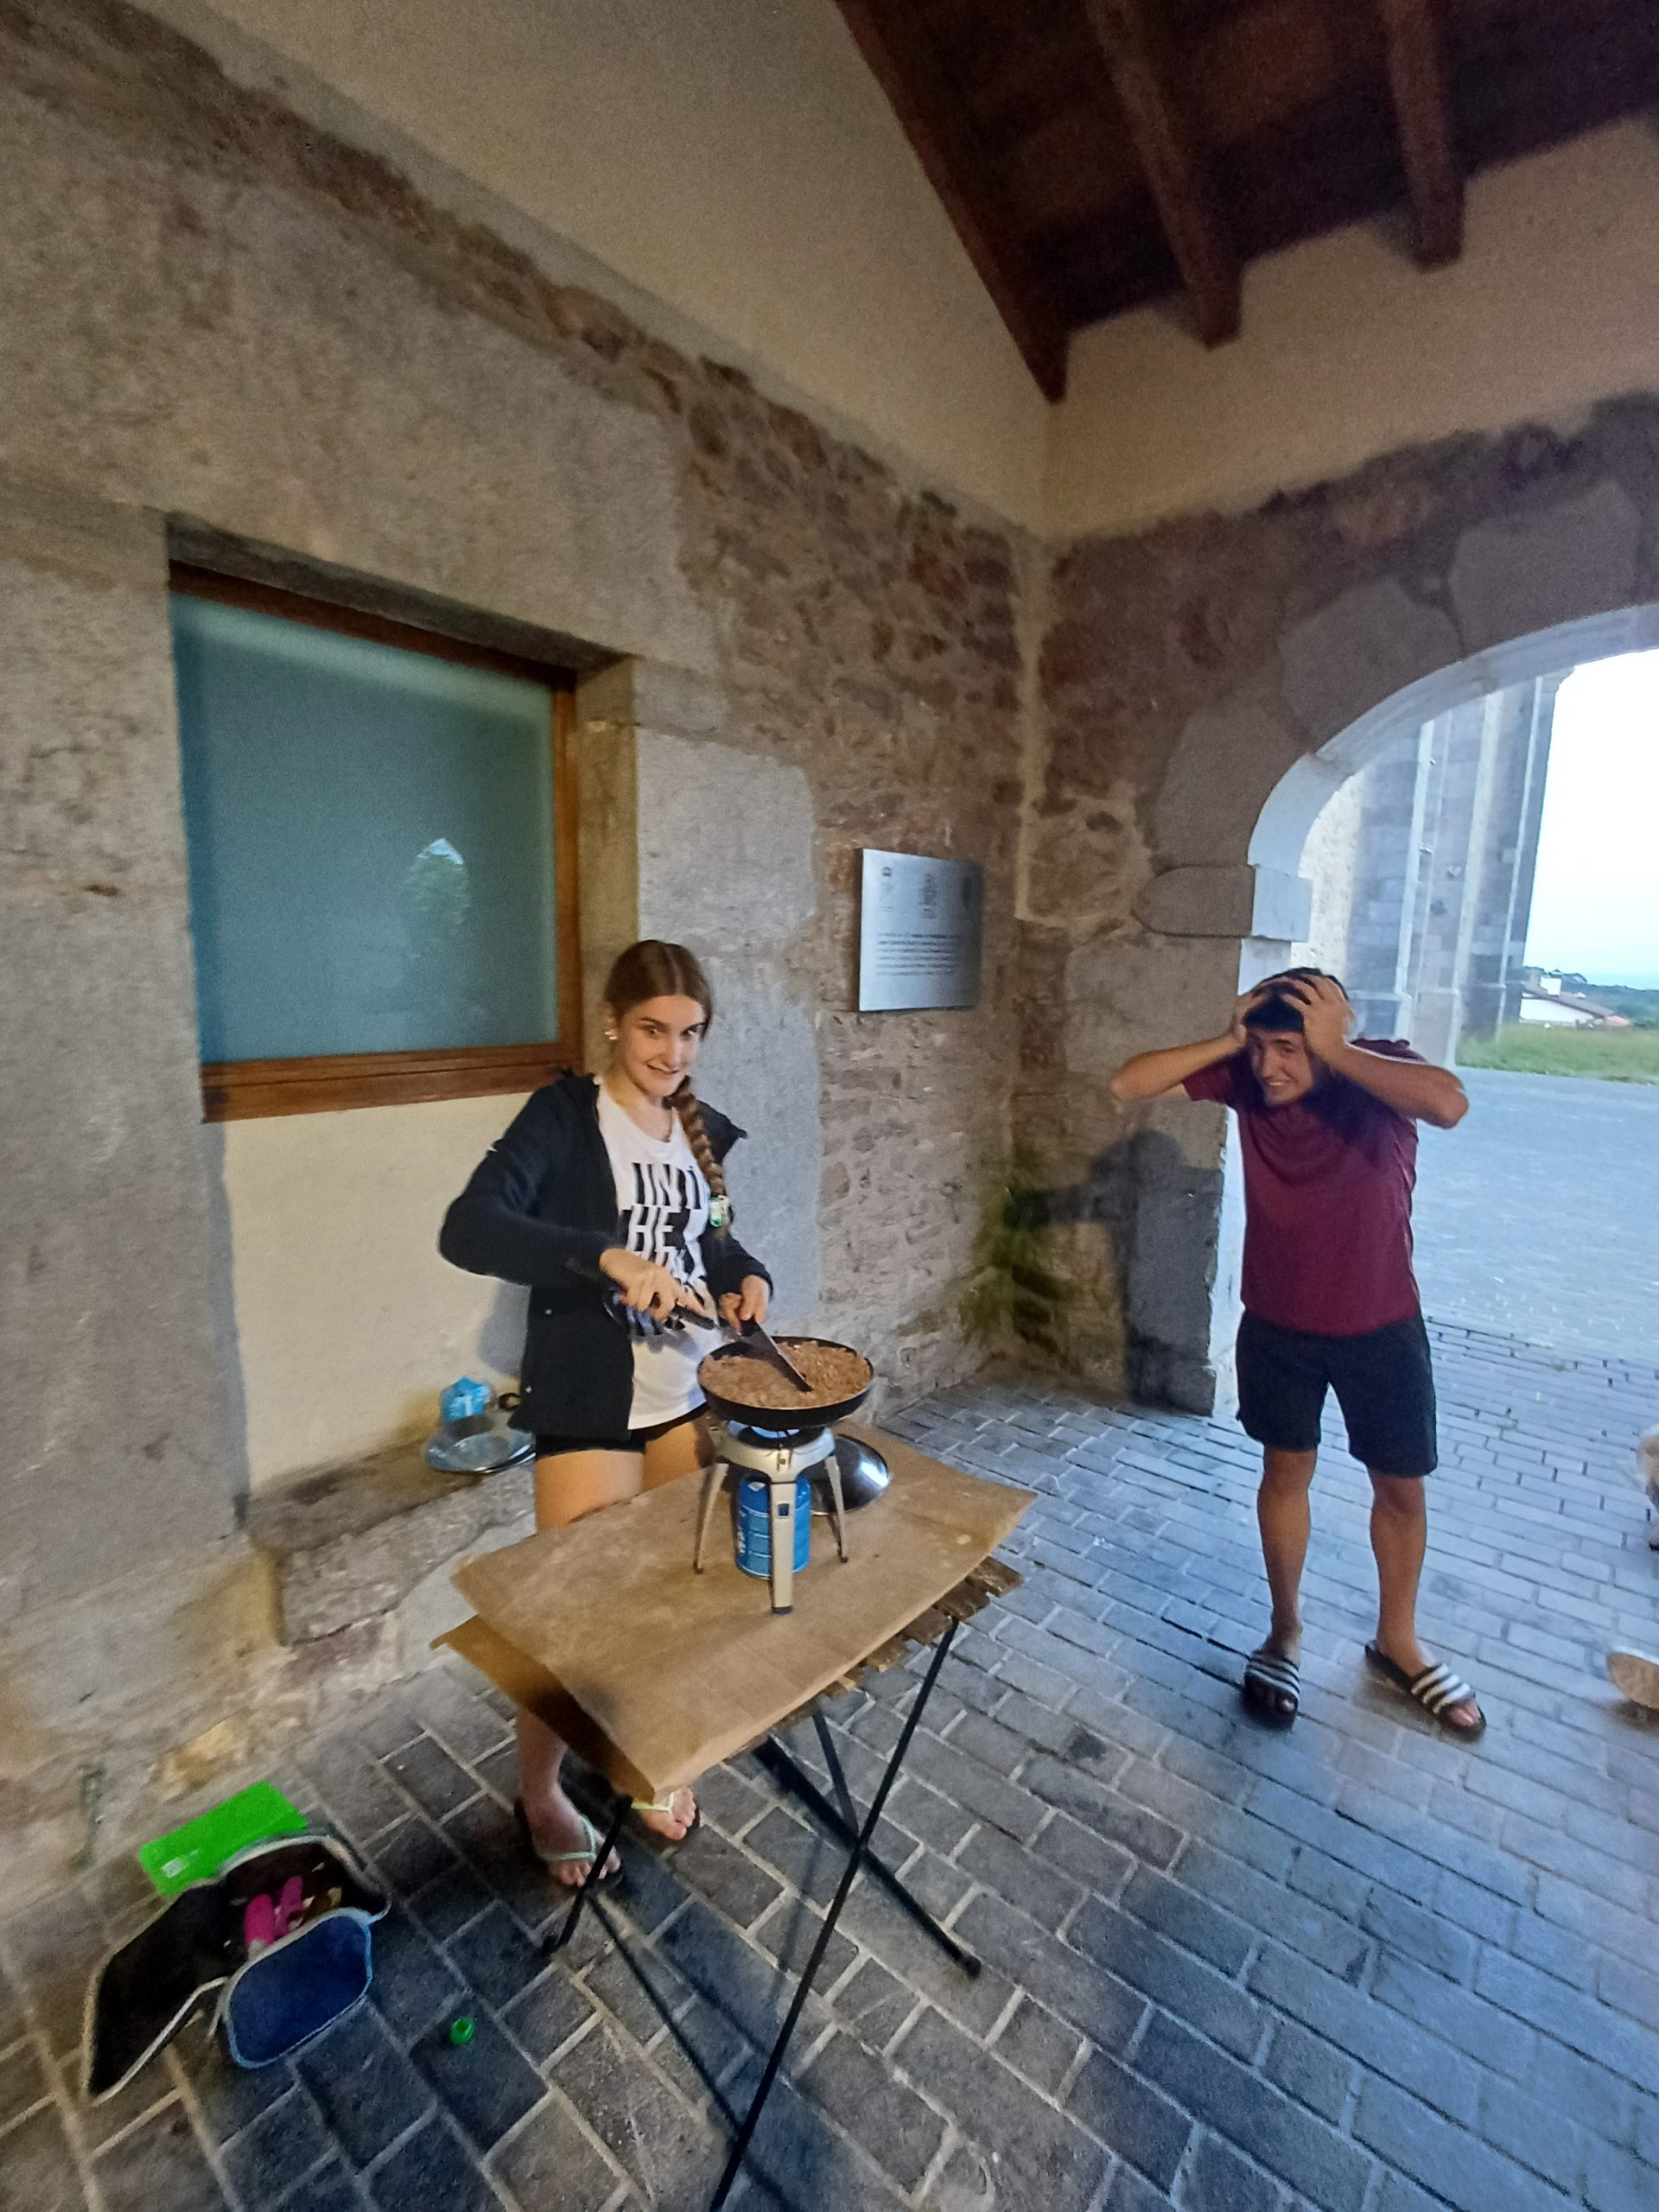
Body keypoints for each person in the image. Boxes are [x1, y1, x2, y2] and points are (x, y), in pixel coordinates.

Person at [440, 940, 773, 1883]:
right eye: (653, 1030)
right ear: (613, 1024)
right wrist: (604, 1256)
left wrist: (746, 1274)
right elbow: (469, 1226)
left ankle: (642, 1755)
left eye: (691, 1033)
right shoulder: (564, 1116)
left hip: (684, 1393)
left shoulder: (698, 1131)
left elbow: (713, 1238)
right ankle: (542, 1792)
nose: (673, 1052)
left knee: (668, 1600)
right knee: (570, 1622)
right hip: (590, 1392)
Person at [1109, 969, 1484, 1737]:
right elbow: (1128, 1083)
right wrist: (1230, 1038)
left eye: (1290, 1049)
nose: (1271, 1067)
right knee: (1285, 1475)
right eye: (1262, 1049)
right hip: (1278, 1324)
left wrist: (1335, 1050)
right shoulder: (1248, 1079)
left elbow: (1449, 1104)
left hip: (1382, 1324)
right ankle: (1284, 1631)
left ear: (1332, 1033)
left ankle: (1398, 1640)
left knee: (1401, 1488)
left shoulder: (1377, 1070)